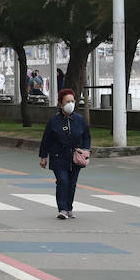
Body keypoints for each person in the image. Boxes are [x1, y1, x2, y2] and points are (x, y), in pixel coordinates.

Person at [38, 88, 92, 219]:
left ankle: (69, 208)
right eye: (67, 101)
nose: (70, 104)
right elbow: (46, 139)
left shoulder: (79, 120)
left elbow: (86, 136)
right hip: (58, 157)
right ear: (61, 103)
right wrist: (43, 157)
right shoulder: (54, 121)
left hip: (75, 158)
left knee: (72, 183)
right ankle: (62, 208)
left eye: (72, 101)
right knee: (63, 181)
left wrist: (86, 150)